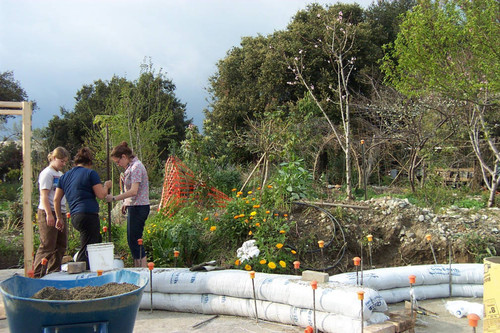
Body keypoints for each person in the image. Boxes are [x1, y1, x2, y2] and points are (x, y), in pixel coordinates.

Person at [54, 147, 111, 269]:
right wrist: (106, 186)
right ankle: (81, 274)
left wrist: (59, 217)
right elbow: (101, 195)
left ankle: (96, 269)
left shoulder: (64, 177)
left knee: (95, 242)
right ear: (89, 163)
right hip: (88, 214)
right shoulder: (90, 173)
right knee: (87, 249)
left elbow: (56, 199)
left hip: (75, 215)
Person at [106, 142, 150, 267]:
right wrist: (126, 202)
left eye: (118, 162)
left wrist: (115, 198)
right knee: (132, 240)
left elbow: (134, 190)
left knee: (135, 240)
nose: (118, 164)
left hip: (139, 207)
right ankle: (138, 267)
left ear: (124, 156)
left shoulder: (136, 167)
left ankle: (142, 268)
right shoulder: (130, 168)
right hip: (134, 206)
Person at [33, 147, 70, 277]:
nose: (63, 164)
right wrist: (49, 214)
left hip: (60, 212)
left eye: (65, 162)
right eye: (61, 161)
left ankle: (54, 272)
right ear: (54, 158)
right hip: (48, 211)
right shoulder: (47, 173)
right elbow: (44, 195)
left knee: (61, 244)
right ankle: (38, 274)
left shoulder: (60, 175)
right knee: (48, 244)